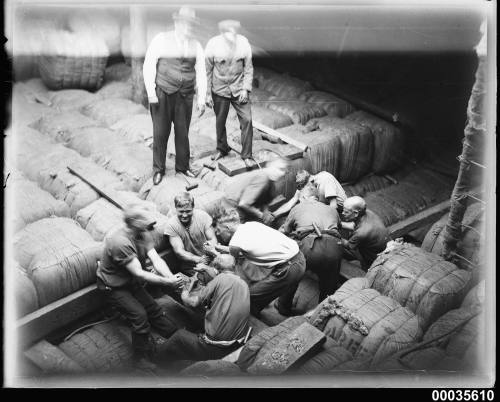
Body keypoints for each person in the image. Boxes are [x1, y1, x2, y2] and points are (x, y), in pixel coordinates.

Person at [96, 204, 184, 370]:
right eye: (145, 219)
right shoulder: (120, 242)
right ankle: (140, 359)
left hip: (130, 281)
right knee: (139, 316)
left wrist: (171, 278)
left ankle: (176, 336)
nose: (150, 221)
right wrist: (167, 283)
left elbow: (156, 260)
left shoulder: (143, 233)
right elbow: (140, 274)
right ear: (134, 222)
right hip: (114, 287)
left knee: (154, 309)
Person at [143, 7, 207, 185]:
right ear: (177, 23)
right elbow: (149, 64)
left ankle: (183, 166)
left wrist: (201, 99)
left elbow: (201, 72)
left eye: (191, 25)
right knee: (160, 133)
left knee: (182, 133)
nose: (188, 28)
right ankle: (158, 169)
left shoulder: (197, 46)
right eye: (185, 23)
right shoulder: (161, 40)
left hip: (185, 95)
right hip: (163, 93)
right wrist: (151, 93)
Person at [208, 211, 306, 317]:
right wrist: (218, 247)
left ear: (227, 227)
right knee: (285, 286)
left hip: (289, 268)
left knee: (249, 296)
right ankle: (283, 308)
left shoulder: (235, 243)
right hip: (299, 257)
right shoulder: (251, 225)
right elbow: (243, 248)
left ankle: (252, 319)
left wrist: (213, 252)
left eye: (218, 230)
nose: (217, 234)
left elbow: (229, 264)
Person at [158, 254, 250, 362]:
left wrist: (185, 291)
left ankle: (154, 359)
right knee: (207, 310)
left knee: (179, 336)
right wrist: (206, 268)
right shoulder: (243, 283)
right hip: (238, 342)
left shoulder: (220, 279)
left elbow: (192, 303)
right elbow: (221, 275)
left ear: (216, 268)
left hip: (218, 348)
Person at [205, 19, 254, 168]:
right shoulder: (213, 44)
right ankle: (222, 148)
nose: (232, 36)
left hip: (239, 89)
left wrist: (246, 88)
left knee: (247, 120)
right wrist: (207, 93)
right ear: (222, 34)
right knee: (220, 121)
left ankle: (247, 155)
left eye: (234, 32)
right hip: (219, 90)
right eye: (228, 33)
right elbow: (207, 70)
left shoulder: (244, 43)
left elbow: (248, 68)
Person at [279, 190, 343, 303]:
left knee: (293, 275)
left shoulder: (299, 207)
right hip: (335, 247)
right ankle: (321, 311)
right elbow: (339, 227)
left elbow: (286, 230)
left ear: (303, 197)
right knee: (329, 284)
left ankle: (283, 306)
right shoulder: (332, 209)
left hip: (311, 245)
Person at [163, 192, 218, 275]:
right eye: (181, 211)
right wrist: (199, 259)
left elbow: (213, 239)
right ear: (175, 208)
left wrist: (211, 248)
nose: (184, 215)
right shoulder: (171, 225)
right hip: (192, 267)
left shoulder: (202, 216)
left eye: (188, 211)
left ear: (193, 207)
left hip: (211, 260)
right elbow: (179, 251)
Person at [223, 157, 288, 225]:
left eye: (285, 171)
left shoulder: (271, 183)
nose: (282, 173)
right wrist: (261, 215)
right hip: (230, 208)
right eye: (280, 169)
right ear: (269, 165)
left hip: (240, 209)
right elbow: (244, 203)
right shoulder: (262, 178)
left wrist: (266, 212)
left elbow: (265, 202)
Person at [339, 196, 390, 270]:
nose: (343, 213)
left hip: (377, 257)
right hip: (383, 243)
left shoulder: (361, 233)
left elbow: (349, 246)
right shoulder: (367, 213)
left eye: (346, 212)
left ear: (356, 213)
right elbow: (356, 226)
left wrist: (337, 237)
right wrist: (339, 224)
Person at [273, 170, 346, 219]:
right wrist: (274, 214)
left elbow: (333, 206)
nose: (305, 190)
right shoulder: (304, 185)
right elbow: (292, 202)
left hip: (342, 210)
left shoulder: (325, 179)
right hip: (326, 206)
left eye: (306, 188)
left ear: (311, 181)